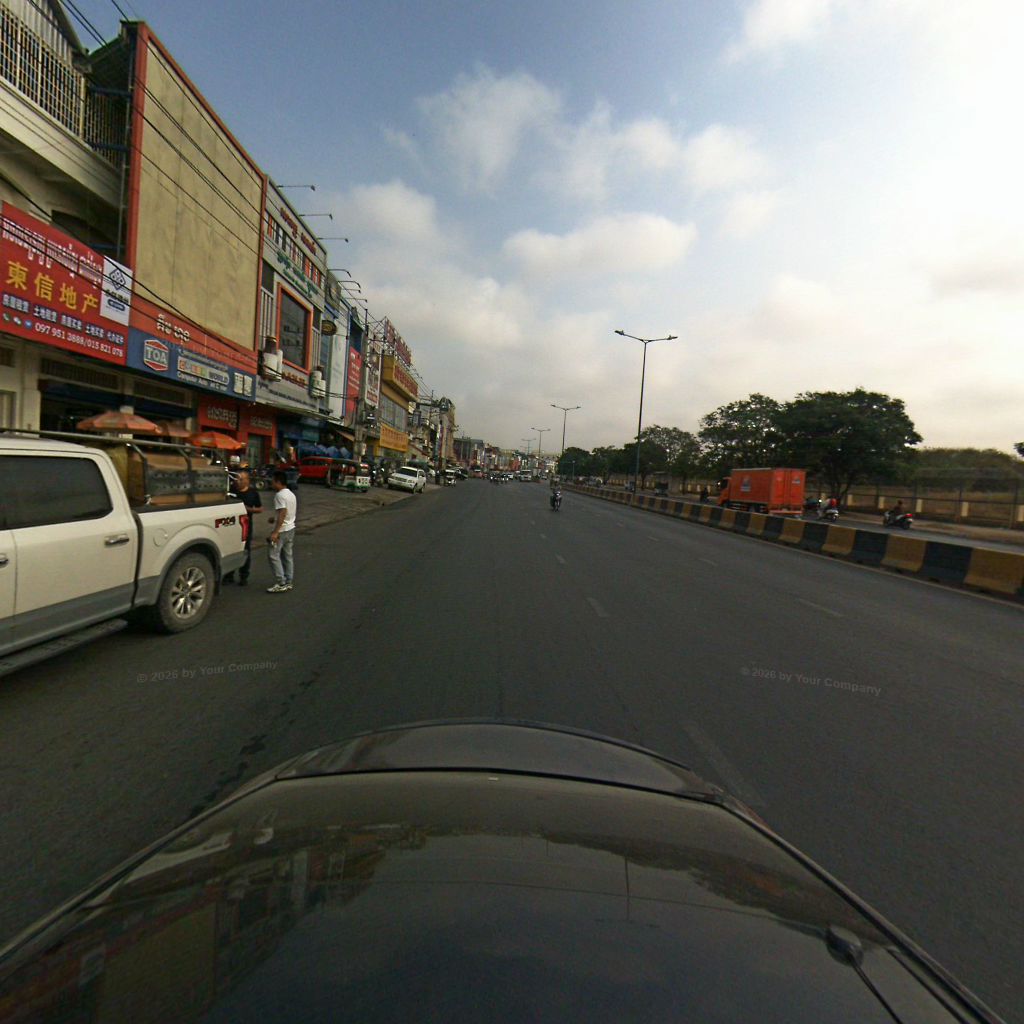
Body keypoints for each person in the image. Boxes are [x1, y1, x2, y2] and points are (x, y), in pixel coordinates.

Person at [224, 468, 262, 586]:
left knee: (245, 550)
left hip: (245, 525)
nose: (238, 481)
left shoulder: (253, 493)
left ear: (247, 480)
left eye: (241, 479)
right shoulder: (231, 490)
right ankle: (228, 575)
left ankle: (244, 575)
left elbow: (260, 508)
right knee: (230, 549)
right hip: (230, 524)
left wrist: (248, 509)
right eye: (237, 479)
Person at [266, 470, 297, 594]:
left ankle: (281, 582)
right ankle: (289, 581)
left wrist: (275, 532)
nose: (272, 484)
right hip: (291, 528)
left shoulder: (279, 496)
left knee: (273, 555)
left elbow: (283, 513)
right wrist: (274, 518)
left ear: (278, 482)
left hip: (282, 530)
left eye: (273, 481)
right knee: (287, 555)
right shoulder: (291, 494)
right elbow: (286, 512)